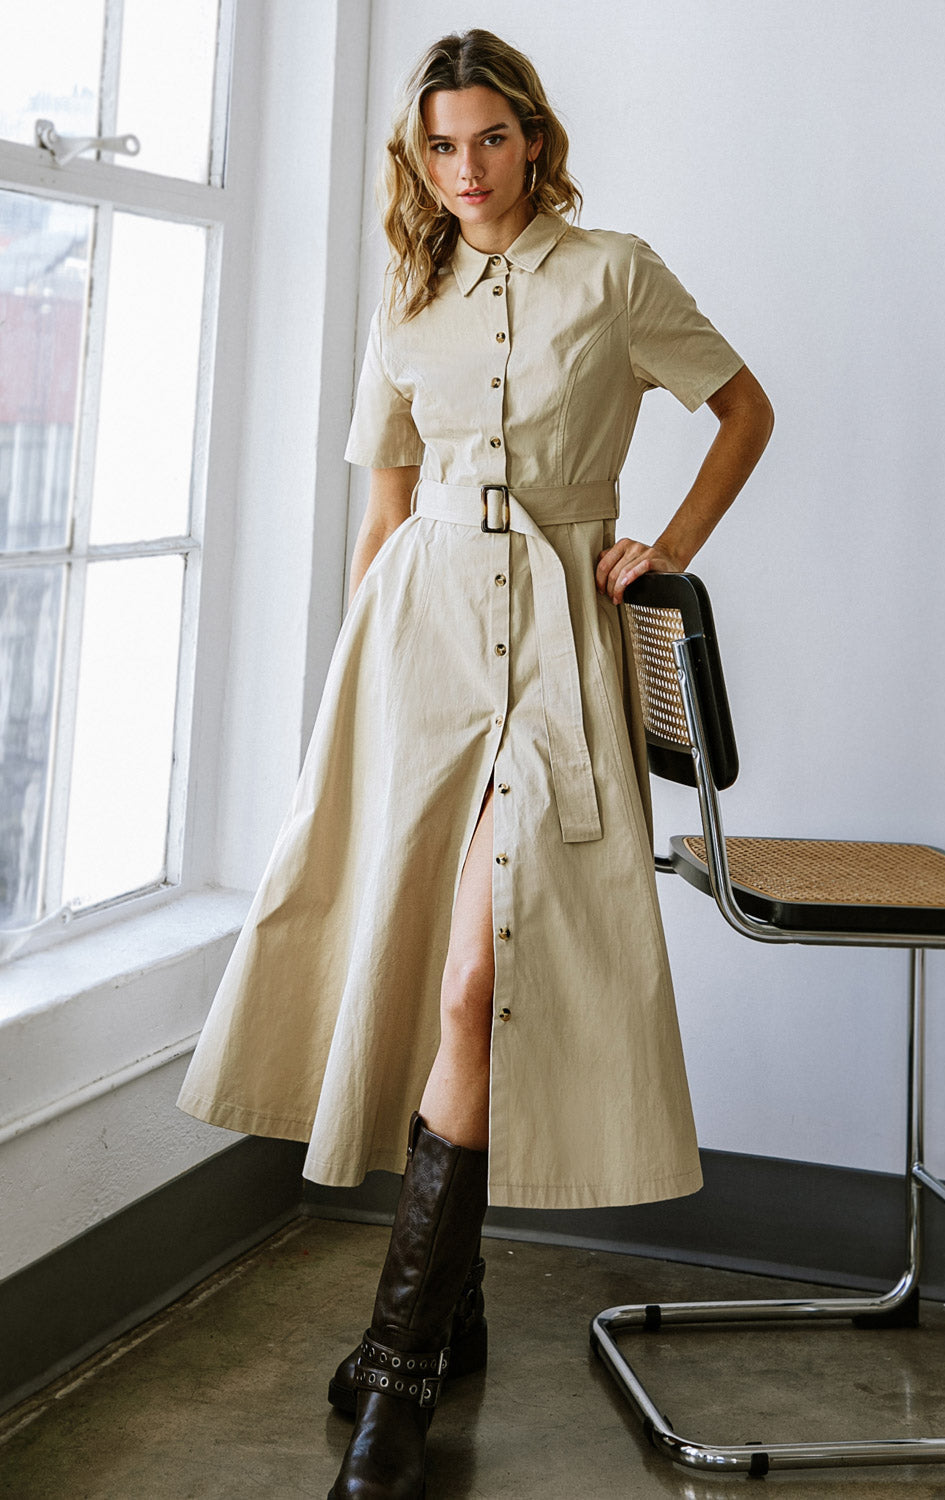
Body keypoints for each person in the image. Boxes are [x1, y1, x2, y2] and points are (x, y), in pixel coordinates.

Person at [178, 27, 773, 1500]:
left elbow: (745, 408)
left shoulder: (617, 273)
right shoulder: (412, 293)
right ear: (418, 156)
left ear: (533, 135)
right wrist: (348, 703)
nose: (465, 172)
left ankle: (395, 1362)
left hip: (562, 642)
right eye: (439, 148)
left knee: (476, 979)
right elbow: (382, 520)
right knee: (416, 971)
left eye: (489, 141)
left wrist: (667, 547)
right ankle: (454, 1304)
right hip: (421, 643)